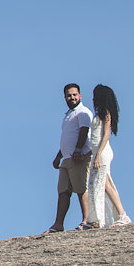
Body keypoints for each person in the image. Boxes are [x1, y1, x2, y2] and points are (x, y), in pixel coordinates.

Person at [45, 83, 93, 233]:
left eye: (74, 95)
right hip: (66, 158)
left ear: (80, 96)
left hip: (78, 157)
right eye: (69, 95)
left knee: (81, 189)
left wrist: (79, 150)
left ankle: (87, 220)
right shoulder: (68, 115)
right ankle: (58, 224)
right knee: (63, 191)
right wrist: (58, 156)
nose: (72, 97)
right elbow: (67, 137)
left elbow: (84, 132)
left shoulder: (83, 112)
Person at [88, 83, 132, 227]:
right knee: (103, 184)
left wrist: (98, 154)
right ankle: (104, 217)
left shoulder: (105, 113)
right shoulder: (100, 113)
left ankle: (121, 214)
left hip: (103, 152)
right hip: (97, 152)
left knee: (104, 184)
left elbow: (106, 135)